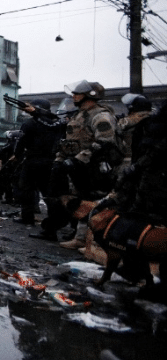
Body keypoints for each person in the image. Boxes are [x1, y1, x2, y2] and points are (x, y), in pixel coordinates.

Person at [31, 80, 120, 243]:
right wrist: (60, 160)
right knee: (57, 196)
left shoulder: (100, 115)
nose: (73, 96)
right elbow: (69, 140)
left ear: (89, 96)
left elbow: (105, 142)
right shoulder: (78, 115)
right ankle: (51, 230)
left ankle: (79, 236)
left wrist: (78, 160)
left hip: (88, 167)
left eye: (77, 94)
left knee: (82, 201)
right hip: (70, 164)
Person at [13, 99, 64, 226]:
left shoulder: (30, 123)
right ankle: (53, 223)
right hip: (51, 161)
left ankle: (27, 218)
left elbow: (21, 142)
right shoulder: (56, 123)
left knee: (27, 190)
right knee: (48, 193)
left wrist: (17, 155)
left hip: (33, 161)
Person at [0, 130, 21, 203]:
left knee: (7, 183)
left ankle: (9, 198)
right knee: (2, 181)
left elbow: (1, 152)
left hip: (10, 166)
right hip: (9, 165)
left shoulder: (11, 144)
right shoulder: (14, 144)